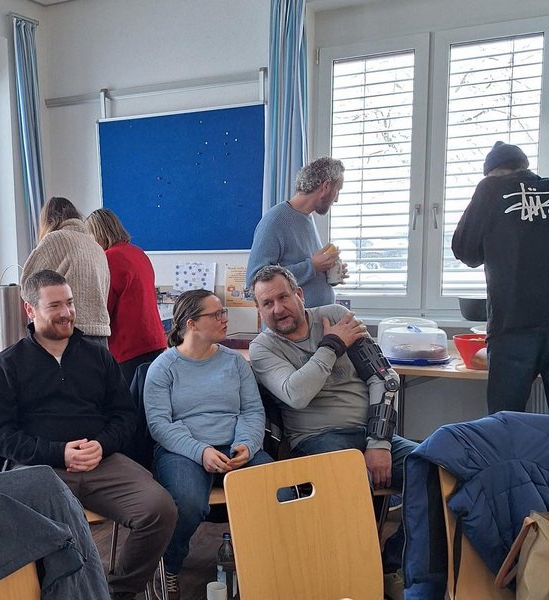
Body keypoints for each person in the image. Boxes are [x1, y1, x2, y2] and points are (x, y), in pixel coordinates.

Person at [0, 270, 177, 600]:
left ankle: (115, 592)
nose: (66, 312)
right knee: (34, 525)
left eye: (69, 303)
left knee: (160, 509)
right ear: (30, 310)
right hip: (39, 470)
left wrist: (102, 445)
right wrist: (58, 452)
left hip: (102, 463)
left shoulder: (99, 356)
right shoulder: (8, 364)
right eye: (55, 305)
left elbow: (125, 417)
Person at [248, 265, 416, 596]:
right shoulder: (263, 348)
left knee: (435, 470)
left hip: (369, 434)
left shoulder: (337, 315)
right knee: (351, 480)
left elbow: (385, 378)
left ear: (300, 294)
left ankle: (392, 566)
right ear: (259, 310)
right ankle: (357, 579)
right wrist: (332, 344)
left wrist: (378, 443)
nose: (278, 308)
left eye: (283, 297)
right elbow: (296, 394)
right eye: (267, 303)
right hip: (315, 441)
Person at [144, 289, 272, 600]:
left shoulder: (235, 362)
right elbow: (159, 425)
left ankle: (257, 565)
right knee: (187, 503)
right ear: (191, 324)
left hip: (234, 446)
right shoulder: (163, 367)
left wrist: (247, 444)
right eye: (216, 314)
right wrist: (200, 451)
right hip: (182, 450)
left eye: (223, 312)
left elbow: (252, 411)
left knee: (274, 489)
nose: (225, 319)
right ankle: (170, 565)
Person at [452, 141, 549, 415]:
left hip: (513, 327)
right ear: (524, 166)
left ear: (492, 172)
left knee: (505, 421)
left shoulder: (490, 189)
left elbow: (465, 251)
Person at [246, 157, 347, 307]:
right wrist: (312, 266)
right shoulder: (275, 220)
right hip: (293, 321)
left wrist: (328, 272)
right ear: (326, 186)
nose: (336, 199)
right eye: (337, 190)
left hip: (317, 317)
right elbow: (254, 282)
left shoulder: (307, 218)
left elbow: (306, 273)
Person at [85, 208, 166, 383]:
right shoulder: (138, 252)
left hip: (129, 346)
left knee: (127, 398)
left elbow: (103, 308)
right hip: (154, 339)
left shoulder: (109, 258)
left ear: (97, 234)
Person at [22, 196, 111, 346]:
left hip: (68, 332)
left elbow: (28, 285)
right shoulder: (96, 246)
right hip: (101, 336)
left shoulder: (54, 239)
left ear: (48, 220)